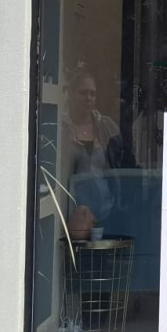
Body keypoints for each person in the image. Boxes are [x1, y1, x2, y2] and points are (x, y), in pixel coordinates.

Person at [63, 68, 126, 240]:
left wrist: (119, 200)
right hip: (73, 216)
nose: (89, 98)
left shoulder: (107, 126)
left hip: (107, 212)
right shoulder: (61, 127)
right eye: (83, 93)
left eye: (93, 94)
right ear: (71, 94)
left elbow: (119, 165)